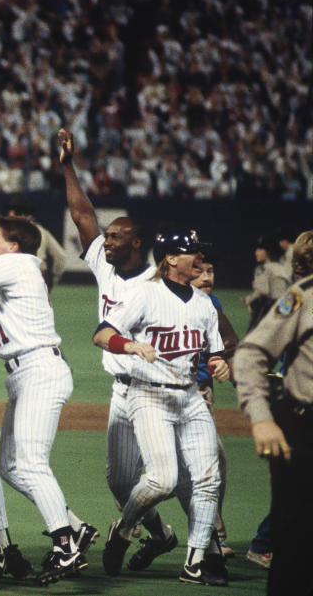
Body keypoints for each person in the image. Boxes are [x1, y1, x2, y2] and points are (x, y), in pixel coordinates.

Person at [57, 127, 175, 570]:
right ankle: (161, 534)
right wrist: (67, 165)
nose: (106, 241)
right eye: (106, 237)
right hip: (118, 391)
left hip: (152, 388)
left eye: (116, 238)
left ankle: (206, 545)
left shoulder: (155, 284)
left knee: (169, 477)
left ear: (137, 244)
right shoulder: (103, 266)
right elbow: (82, 212)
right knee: (119, 481)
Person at [0, 214, 89, 586]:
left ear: (13, 246)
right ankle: (74, 529)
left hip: (39, 369)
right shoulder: (8, 273)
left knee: (28, 464)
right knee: (11, 467)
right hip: (25, 373)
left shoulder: (19, 263)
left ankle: (66, 546)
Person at [94, 228, 231, 586]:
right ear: (170, 259)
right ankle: (122, 530)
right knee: (162, 479)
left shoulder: (203, 304)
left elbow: (213, 352)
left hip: (189, 397)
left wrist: (220, 364)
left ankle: (196, 561)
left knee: (207, 480)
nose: (198, 258)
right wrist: (130, 346)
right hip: (149, 394)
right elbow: (102, 334)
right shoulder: (144, 293)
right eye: (191, 253)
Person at [233, 230, 313, 596]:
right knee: (295, 546)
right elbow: (250, 354)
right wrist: (262, 417)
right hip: (303, 429)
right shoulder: (303, 297)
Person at [189, 252, 239, 558]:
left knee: (215, 461)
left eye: (210, 270)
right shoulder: (160, 300)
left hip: (201, 392)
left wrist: (225, 366)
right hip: (161, 392)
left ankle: (215, 535)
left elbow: (230, 341)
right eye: (199, 272)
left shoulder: (213, 304)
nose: (207, 277)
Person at [4, 196, 67, 292]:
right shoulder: (40, 230)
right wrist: (52, 279)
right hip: (40, 277)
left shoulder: (8, 233)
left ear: (13, 213)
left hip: (17, 278)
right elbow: (61, 257)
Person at [243, 234, 292, 331]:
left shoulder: (263, 268)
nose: (256, 253)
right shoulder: (281, 268)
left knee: (252, 337)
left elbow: (262, 291)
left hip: (268, 309)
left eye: (260, 250)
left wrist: (248, 300)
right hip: (285, 308)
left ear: (268, 252)